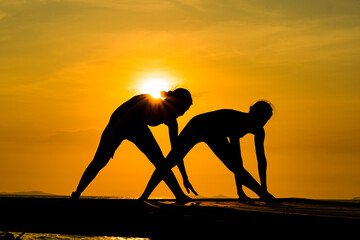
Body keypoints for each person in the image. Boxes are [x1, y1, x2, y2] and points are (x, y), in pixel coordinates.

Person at [71, 88, 192, 201]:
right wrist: (111, 143)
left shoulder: (172, 121)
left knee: (160, 161)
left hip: (138, 127)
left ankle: (179, 195)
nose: (182, 114)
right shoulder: (150, 102)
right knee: (100, 160)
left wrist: (184, 177)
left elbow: (177, 151)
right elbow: (123, 121)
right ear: (175, 104)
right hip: (119, 122)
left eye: (185, 111)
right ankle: (77, 194)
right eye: (182, 109)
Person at [140, 101, 275, 201]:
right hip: (198, 126)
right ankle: (144, 197)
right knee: (169, 162)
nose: (261, 123)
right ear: (252, 112)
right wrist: (261, 193)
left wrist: (262, 188)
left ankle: (260, 193)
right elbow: (236, 163)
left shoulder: (258, 130)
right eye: (260, 119)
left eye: (265, 121)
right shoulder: (237, 119)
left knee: (236, 166)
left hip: (215, 133)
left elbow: (259, 160)